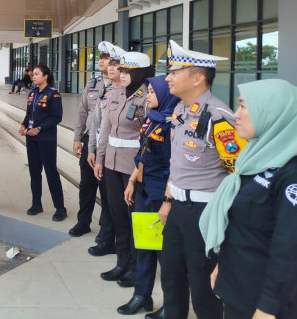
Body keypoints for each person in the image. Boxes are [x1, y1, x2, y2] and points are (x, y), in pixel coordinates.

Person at [158, 40, 247, 319]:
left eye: (175, 72)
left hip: (205, 213)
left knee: (202, 286)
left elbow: (238, 172)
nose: (168, 77)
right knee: (171, 276)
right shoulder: (180, 111)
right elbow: (178, 162)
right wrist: (167, 199)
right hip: (178, 209)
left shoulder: (219, 117)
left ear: (197, 78)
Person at [199, 79, 297, 319]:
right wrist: (223, 267)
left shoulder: (290, 173)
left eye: (244, 106)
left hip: (267, 304)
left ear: (272, 113)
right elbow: (239, 226)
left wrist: (267, 308)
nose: (235, 114)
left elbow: (288, 250)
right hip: (238, 289)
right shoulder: (253, 157)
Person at [119, 75, 180, 315]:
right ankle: (141, 295)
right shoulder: (152, 119)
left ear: (165, 94)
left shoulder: (173, 124)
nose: (148, 95)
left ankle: (171, 304)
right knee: (144, 244)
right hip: (144, 189)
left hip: (160, 194)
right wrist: (132, 180)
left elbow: (176, 166)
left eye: (153, 91)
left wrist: (167, 200)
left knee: (164, 252)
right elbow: (143, 154)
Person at [95, 52, 154, 289]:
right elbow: (105, 128)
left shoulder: (148, 97)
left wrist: (139, 168)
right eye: (123, 70)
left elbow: (150, 136)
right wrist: (100, 159)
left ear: (140, 72)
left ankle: (135, 268)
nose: (123, 74)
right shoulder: (116, 93)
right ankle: (122, 262)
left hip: (134, 166)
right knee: (118, 215)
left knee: (134, 219)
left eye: (128, 71)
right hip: (111, 161)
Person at [87, 43, 126, 256]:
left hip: (122, 158)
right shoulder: (105, 89)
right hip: (105, 153)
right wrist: (92, 149)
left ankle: (113, 242)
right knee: (108, 198)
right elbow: (97, 123)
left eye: (116, 64)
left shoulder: (132, 94)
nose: (110, 68)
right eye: (109, 63)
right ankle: (106, 238)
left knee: (116, 204)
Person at [70, 41, 112, 238]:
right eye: (101, 57)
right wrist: (78, 137)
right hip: (89, 140)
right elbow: (82, 112)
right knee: (86, 185)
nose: (102, 61)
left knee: (105, 189)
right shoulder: (92, 84)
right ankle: (83, 222)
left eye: (107, 58)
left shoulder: (119, 87)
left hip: (108, 144)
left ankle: (106, 230)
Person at [18, 64, 67, 221]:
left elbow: (56, 117)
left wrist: (39, 128)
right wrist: (23, 125)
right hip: (31, 138)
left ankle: (60, 208)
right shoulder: (32, 93)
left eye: (37, 74)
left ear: (45, 76)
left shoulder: (53, 94)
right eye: (33, 74)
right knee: (34, 171)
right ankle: (36, 204)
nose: (33, 76)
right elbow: (29, 114)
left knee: (51, 172)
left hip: (46, 138)